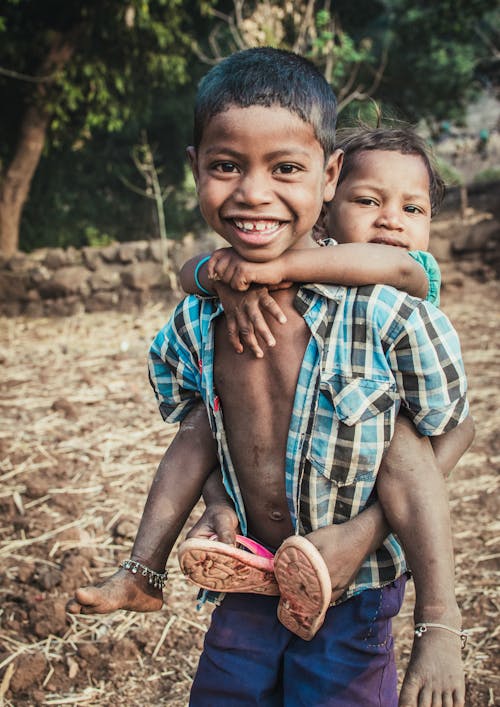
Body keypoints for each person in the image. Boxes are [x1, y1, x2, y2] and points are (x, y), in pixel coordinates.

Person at [67, 49, 471, 706]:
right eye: (226, 166)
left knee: (399, 439)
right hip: (247, 579)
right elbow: (215, 436)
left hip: (354, 594)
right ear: (195, 168)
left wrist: (437, 625)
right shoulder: (201, 313)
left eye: (284, 168)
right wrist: (219, 506)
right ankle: (142, 567)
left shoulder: (382, 309)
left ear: (328, 174)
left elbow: (445, 436)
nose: (253, 192)